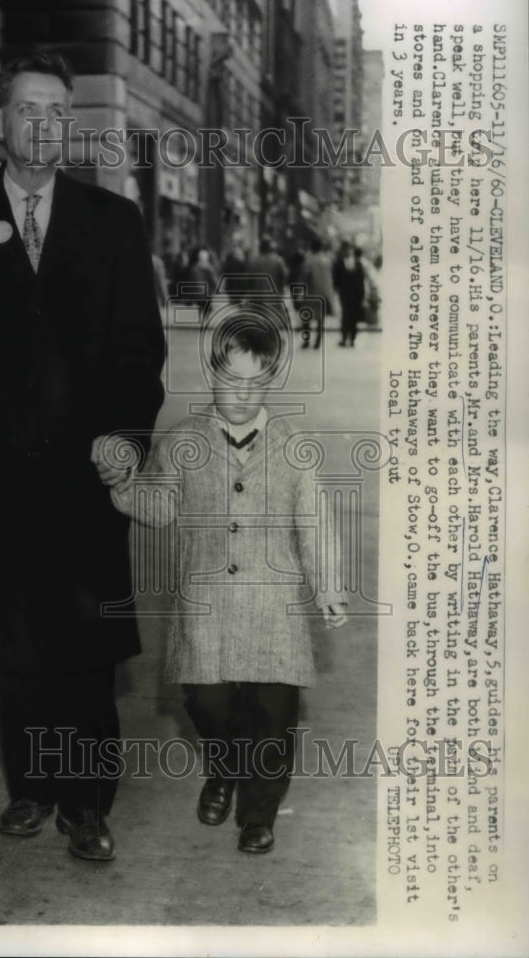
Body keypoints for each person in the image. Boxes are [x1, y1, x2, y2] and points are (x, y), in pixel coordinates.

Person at [0, 51, 165, 862]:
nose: (43, 126)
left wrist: (125, 440)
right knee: (16, 643)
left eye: (58, 112)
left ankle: (88, 804)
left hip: (87, 474)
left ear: (70, 125)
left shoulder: (112, 222)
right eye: (28, 110)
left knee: (86, 649)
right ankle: (32, 787)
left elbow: (138, 352)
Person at [110, 313, 347, 853]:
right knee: (207, 704)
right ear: (210, 372)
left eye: (254, 382)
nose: (240, 393)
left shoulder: (293, 446)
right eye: (229, 379)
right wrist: (124, 483)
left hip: (275, 607)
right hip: (206, 607)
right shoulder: (181, 442)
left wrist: (328, 584)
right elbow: (159, 508)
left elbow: (315, 520)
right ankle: (225, 765)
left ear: (271, 381)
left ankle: (259, 815)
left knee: (274, 716)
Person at [298, 238, 335, 349]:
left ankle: (306, 341)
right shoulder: (327, 260)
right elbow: (329, 278)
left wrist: (299, 292)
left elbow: (304, 277)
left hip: (310, 293)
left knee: (306, 318)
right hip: (323, 293)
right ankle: (318, 342)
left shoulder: (308, 261)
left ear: (311, 248)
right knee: (320, 319)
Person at [332, 241, 366, 347]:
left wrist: (362, 294)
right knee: (345, 316)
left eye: (347, 249)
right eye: (344, 249)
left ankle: (352, 339)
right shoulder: (339, 262)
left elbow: (361, 279)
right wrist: (337, 289)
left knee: (353, 316)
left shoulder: (357, 263)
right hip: (344, 294)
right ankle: (344, 338)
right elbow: (335, 278)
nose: (346, 251)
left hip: (356, 294)